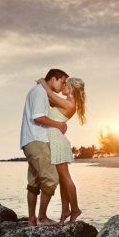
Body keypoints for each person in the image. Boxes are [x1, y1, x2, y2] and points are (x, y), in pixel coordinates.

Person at [20, 68, 69, 227]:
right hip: (38, 141)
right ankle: (42, 217)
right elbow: (38, 117)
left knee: (34, 182)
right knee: (51, 179)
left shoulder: (39, 91)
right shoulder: (40, 93)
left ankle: (32, 220)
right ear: (53, 79)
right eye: (62, 82)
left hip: (29, 141)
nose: (63, 86)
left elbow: (53, 102)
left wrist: (42, 81)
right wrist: (59, 124)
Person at [38, 76, 87, 224]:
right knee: (63, 179)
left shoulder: (70, 102)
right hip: (56, 139)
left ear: (71, 88)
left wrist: (42, 82)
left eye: (66, 84)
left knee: (65, 177)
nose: (63, 86)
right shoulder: (68, 102)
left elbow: (51, 95)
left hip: (58, 141)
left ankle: (75, 209)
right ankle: (65, 210)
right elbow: (50, 99)